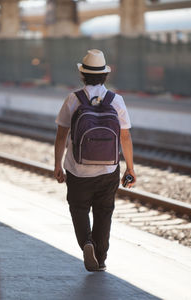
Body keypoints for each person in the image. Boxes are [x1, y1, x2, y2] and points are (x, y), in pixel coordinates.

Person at [54, 49, 136, 272]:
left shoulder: (73, 99)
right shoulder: (116, 100)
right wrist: (130, 167)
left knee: (79, 209)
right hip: (108, 169)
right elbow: (125, 136)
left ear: (83, 75)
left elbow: (61, 135)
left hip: (78, 169)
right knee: (104, 212)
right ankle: (100, 258)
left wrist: (57, 165)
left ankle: (86, 243)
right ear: (105, 75)